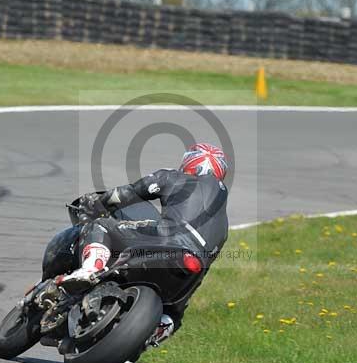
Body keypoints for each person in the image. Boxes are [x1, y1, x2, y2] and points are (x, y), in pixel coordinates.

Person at [58, 143, 229, 347]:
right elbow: (203, 270)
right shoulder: (224, 226)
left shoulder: (174, 177)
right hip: (192, 269)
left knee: (101, 226)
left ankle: (90, 269)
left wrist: (96, 202)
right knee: (175, 314)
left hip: (166, 240)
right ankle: (159, 330)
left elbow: (126, 194)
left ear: (190, 162)